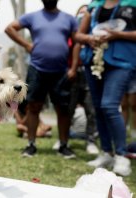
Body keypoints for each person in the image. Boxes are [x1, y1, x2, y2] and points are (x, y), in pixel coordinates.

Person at [5, 0, 78, 158]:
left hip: (61, 71)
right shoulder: (32, 17)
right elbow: (9, 28)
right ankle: (31, 144)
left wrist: (73, 68)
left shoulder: (69, 19)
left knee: (63, 109)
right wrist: (27, 45)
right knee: (33, 107)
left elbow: (77, 42)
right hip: (37, 69)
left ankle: (64, 146)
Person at [75, 0, 136, 176]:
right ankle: (107, 152)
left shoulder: (132, 3)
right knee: (99, 108)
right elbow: (78, 35)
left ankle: (122, 155)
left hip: (122, 62)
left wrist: (118, 35)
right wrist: (89, 38)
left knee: (109, 105)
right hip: (94, 61)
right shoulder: (94, 5)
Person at [68, 4, 99, 155]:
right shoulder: (71, 34)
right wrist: (72, 68)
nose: (83, 15)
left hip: (90, 71)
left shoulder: (95, 32)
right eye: (80, 13)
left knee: (90, 108)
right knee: (69, 106)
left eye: (85, 13)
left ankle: (91, 141)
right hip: (72, 74)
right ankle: (63, 139)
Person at [121, 74, 136, 139]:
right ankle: (123, 130)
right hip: (120, 75)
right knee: (123, 105)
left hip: (133, 73)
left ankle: (134, 130)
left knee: (134, 105)